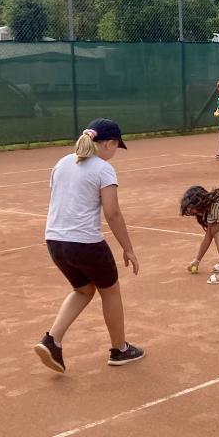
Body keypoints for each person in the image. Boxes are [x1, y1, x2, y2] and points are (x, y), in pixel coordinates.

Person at [34, 118, 144, 374]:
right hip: (85, 243)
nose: (115, 151)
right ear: (108, 143)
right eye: (116, 145)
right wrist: (128, 248)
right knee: (110, 291)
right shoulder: (103, 168)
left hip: (54, 241)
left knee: (83, 290)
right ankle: (120, 349)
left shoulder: (62, 162)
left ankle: (52, 340)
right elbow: (112, 213)